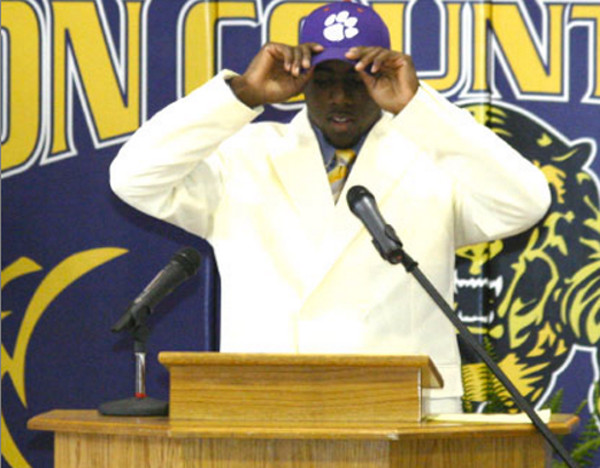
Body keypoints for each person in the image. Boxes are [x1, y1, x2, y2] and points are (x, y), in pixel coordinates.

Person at [110, 1, 551, 413]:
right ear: (301, 83)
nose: (339, 98)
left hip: (403, 413)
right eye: (324, 82)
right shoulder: (244, 156)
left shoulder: (430, 157)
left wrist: (418, 109)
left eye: (356, 81)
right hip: (270, 408)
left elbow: (525, 202)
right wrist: (243, 95)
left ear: (383, 78)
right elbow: (133, 178)